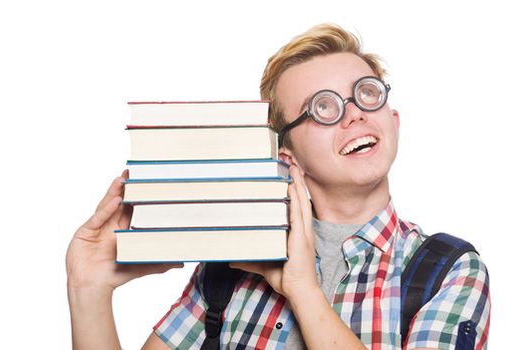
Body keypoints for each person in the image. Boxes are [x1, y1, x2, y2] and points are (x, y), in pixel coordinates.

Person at [66, 23, 490, 349]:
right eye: (322, 107)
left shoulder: (449, 270)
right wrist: (87, 290)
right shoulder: (229, 268)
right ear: (286, 156)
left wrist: (303, 288)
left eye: (367, 94)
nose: (355, 114)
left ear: (393, 121)